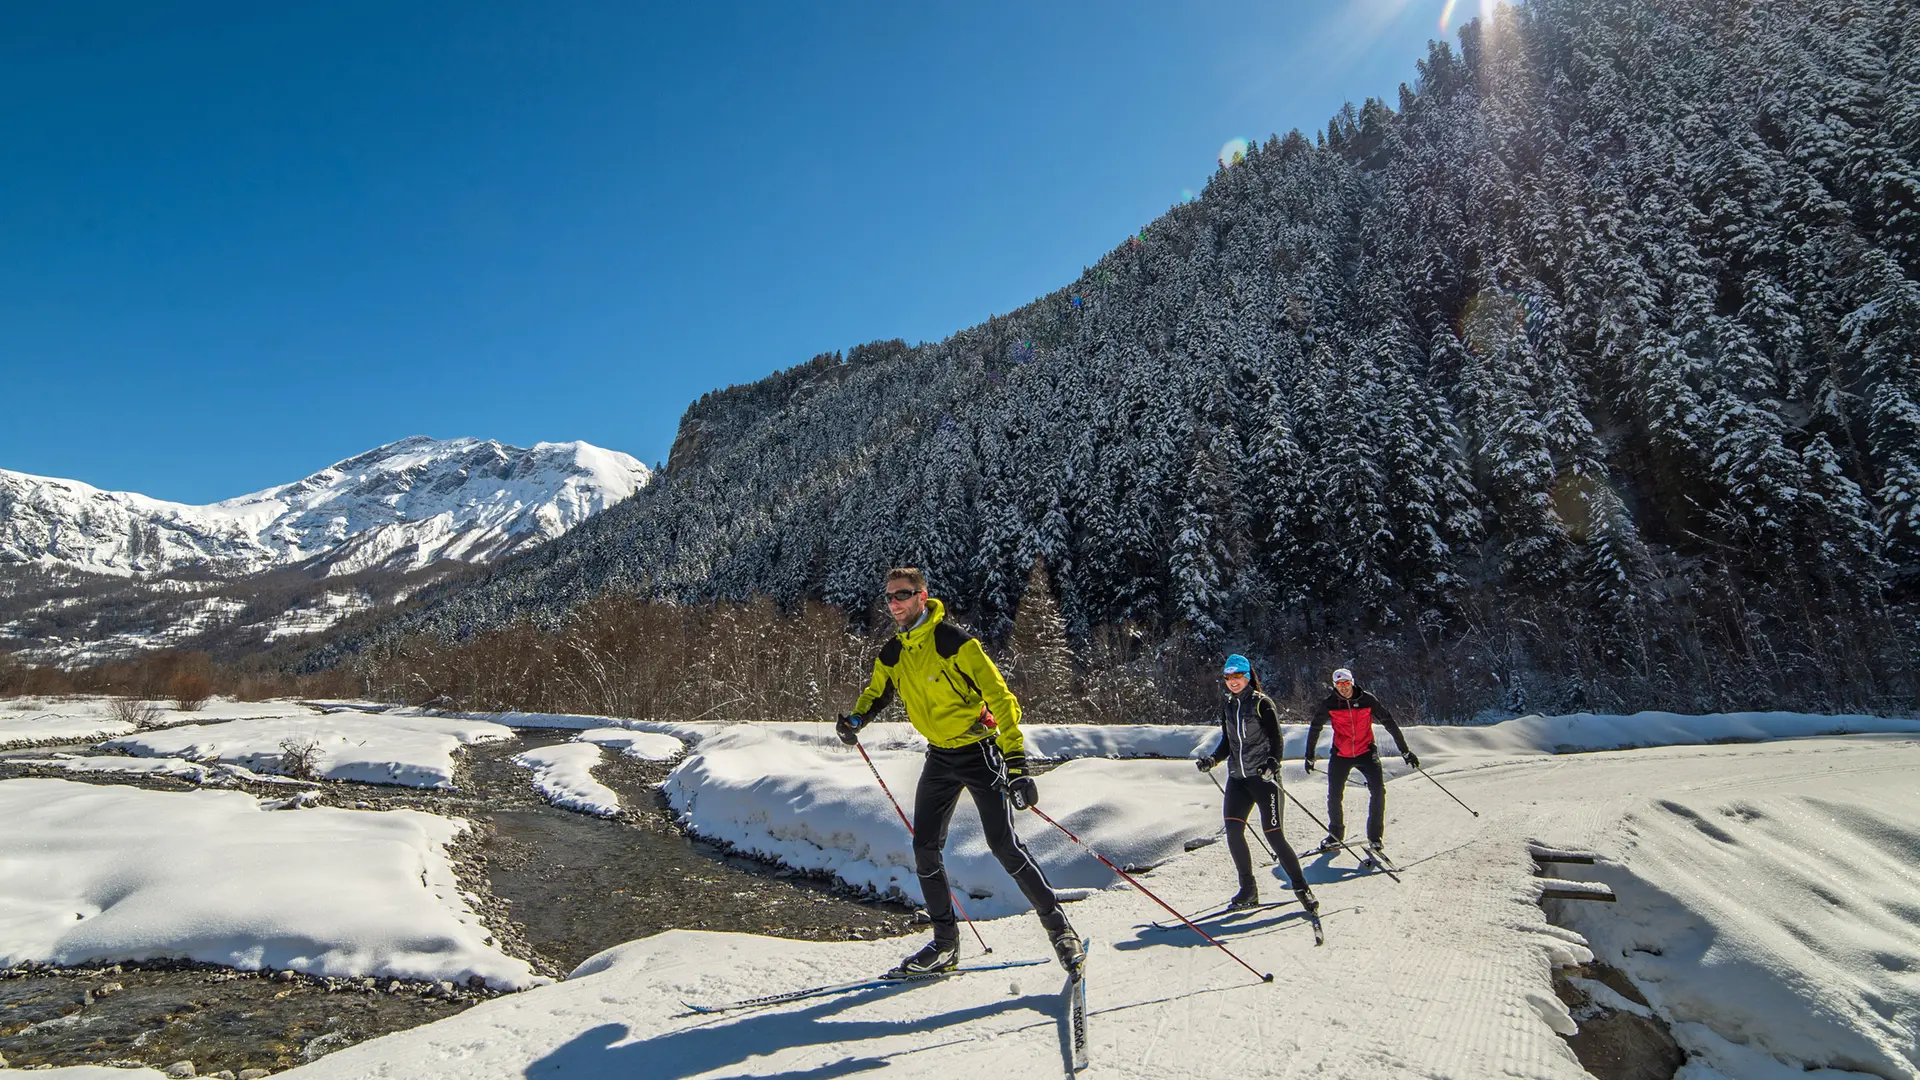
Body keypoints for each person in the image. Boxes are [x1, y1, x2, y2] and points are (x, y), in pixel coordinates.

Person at [836, 567, 1082, 976]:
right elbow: (877, 692)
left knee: (1003, 845)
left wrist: (1018, 765)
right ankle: (945, 945)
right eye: (890, 596)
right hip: (939, 758)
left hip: (980, 752)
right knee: (925, 849)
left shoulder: (955, 643)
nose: (895, 602)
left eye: (903, 594)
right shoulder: (894, 653)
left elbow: (1002, 700)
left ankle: (1061, 931)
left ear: (922, 595)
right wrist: (856, 721)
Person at [1197, 655, 1317, 913]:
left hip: (1264, 780)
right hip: (1238, 779)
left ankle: (1301, 887)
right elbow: (1228, 744)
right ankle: (1248, 890)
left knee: (1273, 835)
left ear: (1247, 676)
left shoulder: (1262, 703)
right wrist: (1213, 759)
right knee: (1233, 831)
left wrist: (1272, 764)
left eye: (1237, 676)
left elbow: (1276, 739)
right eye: (1228, 678)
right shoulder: (1228, 706)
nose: (1233, 682)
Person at [1303, 667, 1419, 855]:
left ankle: (1375, 837)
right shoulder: (1330, 703)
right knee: (1334, 796)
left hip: (1366, 752)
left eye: (1346, 683)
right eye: (1339, 684)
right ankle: (1335, 836)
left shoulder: (1367, 700)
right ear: (1335, 686)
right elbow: (1315, 727)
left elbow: (1388, 721)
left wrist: (1405, 751)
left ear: (1352, 682)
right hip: (1341, 754)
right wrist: (1309, 755)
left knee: (1378, 792)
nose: (1343, 687)